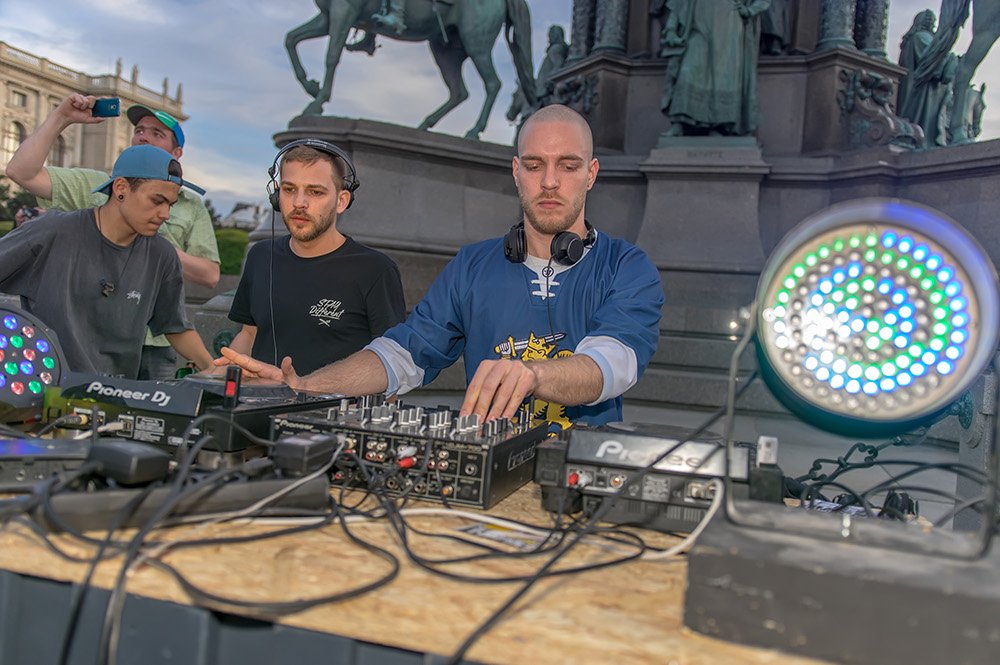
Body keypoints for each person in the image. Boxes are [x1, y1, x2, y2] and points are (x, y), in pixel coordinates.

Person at [218, 105, 663, 429]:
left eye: (568, 166)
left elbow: (613, 364)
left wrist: (533, 373)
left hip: (578, 471)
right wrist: (305, 386)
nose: (549, 181)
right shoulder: (471, 265)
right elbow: (402, 354)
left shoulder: (627, 266)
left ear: (591, 173)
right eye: (534, 165)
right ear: (515, 171)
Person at [4, 93, 219, 379]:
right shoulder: (52, 230)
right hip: (47, 386)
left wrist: (214, 369)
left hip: (116, 391)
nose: (165, 214)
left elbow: (175, 326)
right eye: (157, 201)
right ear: (120, 188)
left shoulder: (162, 254)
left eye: (171, 204)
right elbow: (21, 172)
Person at [216, 140, 406, 375]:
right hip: (258, 398)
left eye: (315, 192)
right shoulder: (260, 256)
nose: (299, 203)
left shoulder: (376, 270)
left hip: (335, 400)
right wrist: (219, 376)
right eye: (289, 189)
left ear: (341, 201)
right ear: (276, 196)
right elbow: (248, 334)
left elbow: (392, 364)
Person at [661, 0, 770, 137]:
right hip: (697, 23)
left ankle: (719, 126)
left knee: (722, 77)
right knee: (688, 70)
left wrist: (751, 10)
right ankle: (679, 123)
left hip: (728, 23)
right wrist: (671, 29)